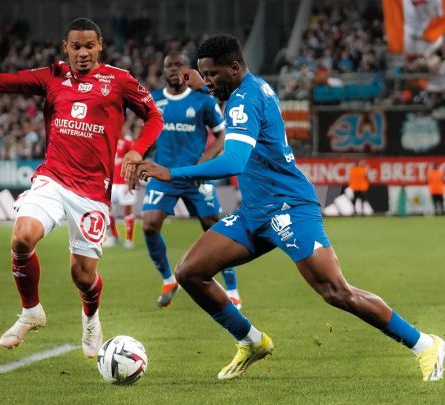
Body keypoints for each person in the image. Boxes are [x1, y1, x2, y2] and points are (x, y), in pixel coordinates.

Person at [134, 34, 444, 381]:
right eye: (203, 75)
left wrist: (172, 172)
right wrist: (198, 79)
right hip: (254, 212)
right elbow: (219, 91)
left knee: (336, 292)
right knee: (190, 272)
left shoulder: (243, 101)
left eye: (211, 75)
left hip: (288, 207)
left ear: (233, 68)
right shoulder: (246, 86)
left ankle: (426, 344)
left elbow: (234, 161)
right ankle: (251, 341)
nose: (206, 83)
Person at [0, 18, 163, 357]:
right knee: (22, 237)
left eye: (89, 46)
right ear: (65, 47)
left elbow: (154, 117)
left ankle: (91, 319)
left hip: (92, 192)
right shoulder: (52, 76)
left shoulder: (119, 80)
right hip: (53, 179)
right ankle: (31, 310)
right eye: (76, 47)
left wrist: (137, 150)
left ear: (100, 45)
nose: (82, 53)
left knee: (83, 276)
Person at [143, 51, 241, 308]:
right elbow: (148, 135)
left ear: (188, 69)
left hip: (196, 176)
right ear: (163, 70)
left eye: (179, 65)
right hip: (163, 174)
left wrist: (205, 160)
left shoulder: (203, 100)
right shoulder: (154, 100)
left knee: (214, 228)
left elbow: (222, 135)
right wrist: (137, 159)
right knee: (149, 225)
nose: (173, 69)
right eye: (169, 65)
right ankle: (168, 280)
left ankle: (232, 289)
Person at [104, 130, 138, 249]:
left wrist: (131, 181)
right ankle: (113, 236)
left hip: (124, 183)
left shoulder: (128, 141)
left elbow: (134, 161)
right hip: (112, 183)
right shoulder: (109, 139)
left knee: (127, 212)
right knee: (107, 211)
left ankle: (129, 239)